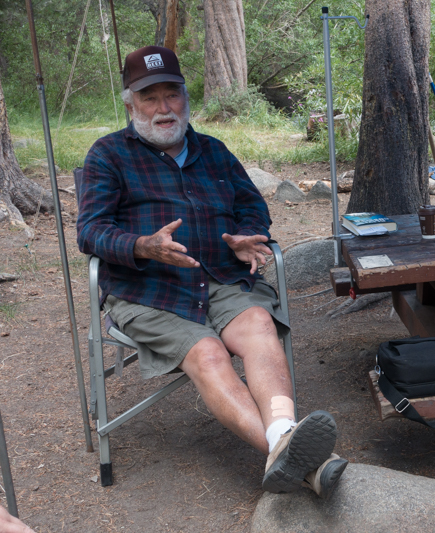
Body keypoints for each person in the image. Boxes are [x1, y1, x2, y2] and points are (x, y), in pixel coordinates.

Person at [77, 46, 346, 497]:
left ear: (185, 98)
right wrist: (144, 246)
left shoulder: (213, 151)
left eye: (172, 95)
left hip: (221, 276)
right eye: (150, 98)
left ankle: (284, 439)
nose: (164, 108)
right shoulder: (108, 155)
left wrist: (248, 234)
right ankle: (303, 459)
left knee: (260, 324)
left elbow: (250, 204)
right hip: (149, 289)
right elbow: (91, 232)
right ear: (130, 104)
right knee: (206, 354)